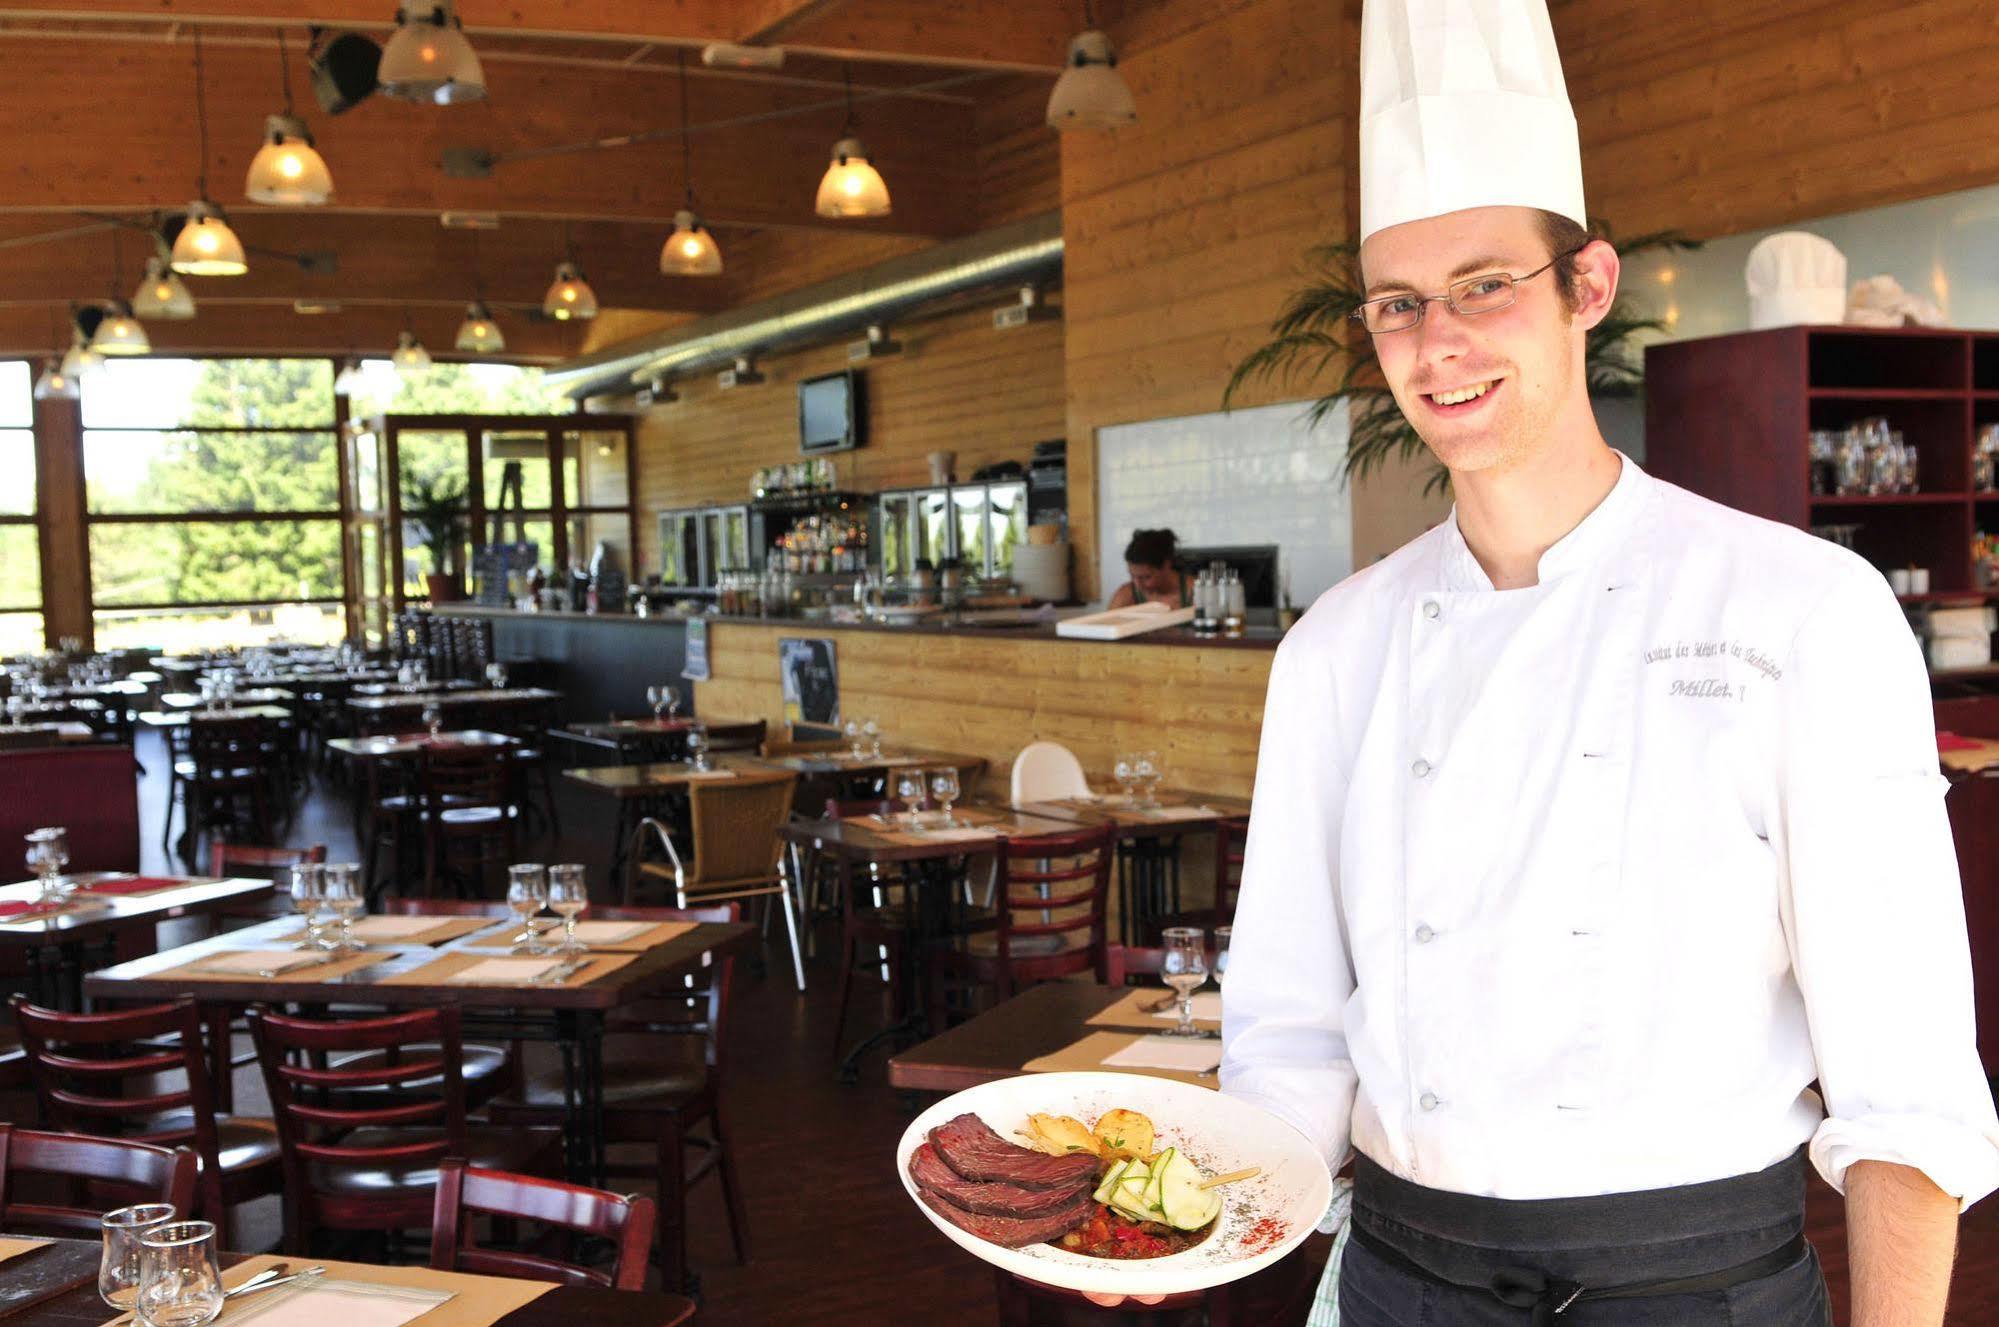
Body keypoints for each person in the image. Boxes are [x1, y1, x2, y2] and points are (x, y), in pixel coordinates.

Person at [1219, 1, 1999, 1324]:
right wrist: (1184, 1230)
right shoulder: (1332, 652)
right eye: (1398, 305)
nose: (1435, 344)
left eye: (1482, 286)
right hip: (1402, 1282)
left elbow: (1903, 1081)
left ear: (1586, 286)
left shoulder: (1801, 610)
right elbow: (1284, 1042)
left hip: (1697, 1288)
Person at [1104, 529, 1190, 610]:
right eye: (1132, 576)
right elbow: (1104, 625)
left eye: (1146, 577)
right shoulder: (1127, 594)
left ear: (1166, 566)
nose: (1138, 585)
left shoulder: (1195, 592)